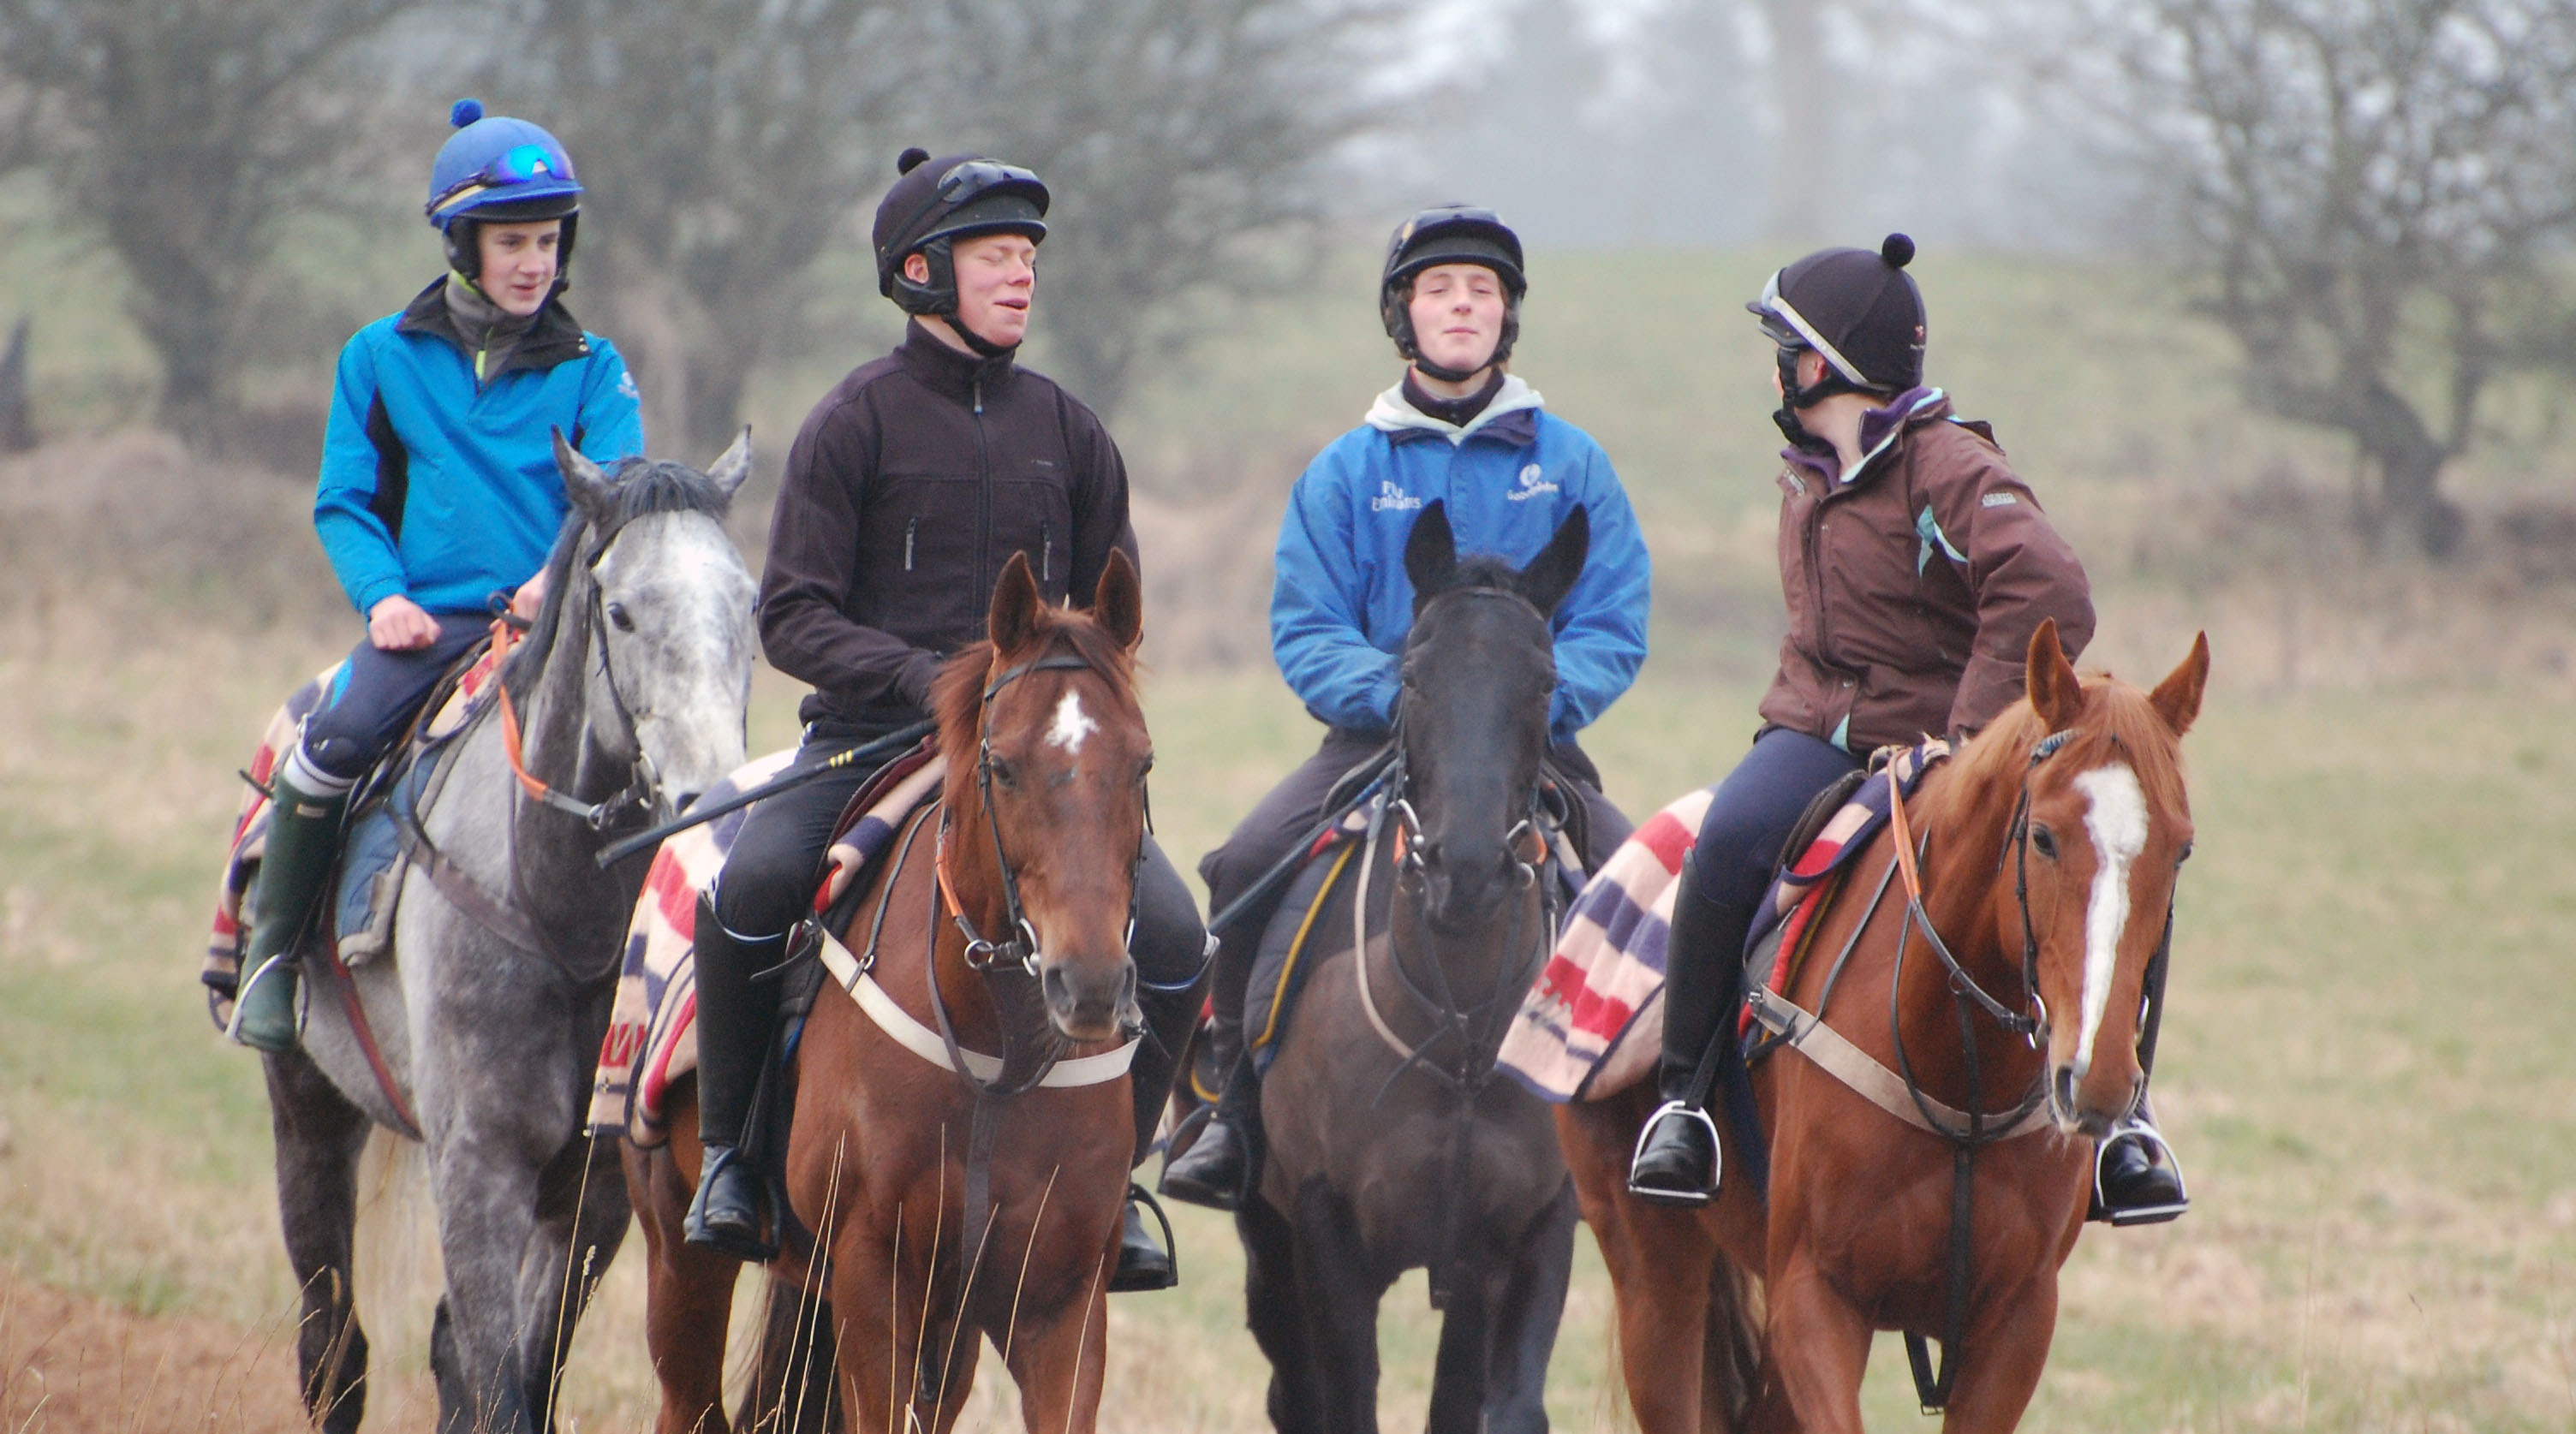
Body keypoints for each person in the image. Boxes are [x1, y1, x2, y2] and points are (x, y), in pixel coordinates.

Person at [685, 147, 1208, 1289]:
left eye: (1028, 256)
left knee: (1173, 933)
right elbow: (793, 618)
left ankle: (1119, 1192)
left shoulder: (1072, 433)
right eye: (994, 255)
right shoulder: (850, 424)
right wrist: (931, 681)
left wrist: (1058, 708)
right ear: (922, 271)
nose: (1021, 275)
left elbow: (1111, 629)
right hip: (868, 742)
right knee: (747, 890)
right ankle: (730, 1158)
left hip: (1038, 763)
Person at [1625, 233, 2188, 1225]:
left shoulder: (1948, 466)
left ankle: (2124, 1123)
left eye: (1783, 346)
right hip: (1812, 735)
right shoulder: (1809, 464)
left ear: (1822, 361)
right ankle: (1684, 1107)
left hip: (1946, 750)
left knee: (2117, 866)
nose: (1775, 366)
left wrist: (1967, 734)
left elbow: (2049, 586)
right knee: (1723, 844)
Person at [1162, 205, 1652, 1212]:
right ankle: (1231, 1108)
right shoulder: (1346, 472)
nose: (1461, 305)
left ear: (1507, 315)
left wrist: (1530, 703)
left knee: (1640, 886)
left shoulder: (1573, 465)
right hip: (1375, 738)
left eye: (1482, 289)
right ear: (1403, 314)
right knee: (1248, 862)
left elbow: (1612, 617)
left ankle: (1652, 1120)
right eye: (1439, 288)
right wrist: (1408, 700)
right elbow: (1307, 624)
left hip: (1528, 746)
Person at [231, 99, 643, 1053]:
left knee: (662, 768)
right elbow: (345, 500)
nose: (534, 261)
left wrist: (556, 578)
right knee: (328, 744)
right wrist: (386, 601)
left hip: (557, 628)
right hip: (432, 628)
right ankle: (273, 958)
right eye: (512, 242)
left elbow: (615, 492)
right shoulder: (378, 357)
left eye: (547, 240)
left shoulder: (595, 368)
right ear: (463, 243)